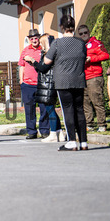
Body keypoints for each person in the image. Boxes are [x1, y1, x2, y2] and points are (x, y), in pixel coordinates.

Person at [42, 15, 88, 151]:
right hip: (78, 79)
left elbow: (47, 61)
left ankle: (72, 141)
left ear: (61, 27)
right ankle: (84, 142)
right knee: (79, 110)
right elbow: (84, 57)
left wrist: (48, 50)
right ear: (73, 27)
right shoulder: (81, 43)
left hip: (63, 81)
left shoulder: (57, 43)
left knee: (68, 110)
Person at [24, 34, 62, 142]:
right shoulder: (47, 54)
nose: (40, 44)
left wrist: (33, 61)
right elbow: (40, 69)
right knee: (51, 109)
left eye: (41, 42)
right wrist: (34, 64)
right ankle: (59, 132)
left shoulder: (49, 54)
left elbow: (43, 68)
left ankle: (53, 133)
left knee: (50, 109)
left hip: (48, 84)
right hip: (46, 84)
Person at [18, 29, 49, 139]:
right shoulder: (25, 50)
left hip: (41, 84)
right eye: (32, 38)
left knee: (43, 108)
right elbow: (21, 66)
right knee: (29, 109)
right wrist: (21, 81)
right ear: (29, 39)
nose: (34, 40)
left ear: (39, 38)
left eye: (36, 38)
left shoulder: (43, 50)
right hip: (27, 84)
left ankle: (44, 131)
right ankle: (31, 131)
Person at [77, 25, 109, 132]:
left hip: (94, 76)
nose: (83, 35)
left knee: (97, 101)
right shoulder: (79, 45)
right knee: (85, 103)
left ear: (89, 32)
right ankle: (89, 124)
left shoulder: (96, 43)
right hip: (83, 77)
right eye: (81, 34)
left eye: (85, 32)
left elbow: (106, 55)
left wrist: (91, 58)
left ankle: (101, 124)